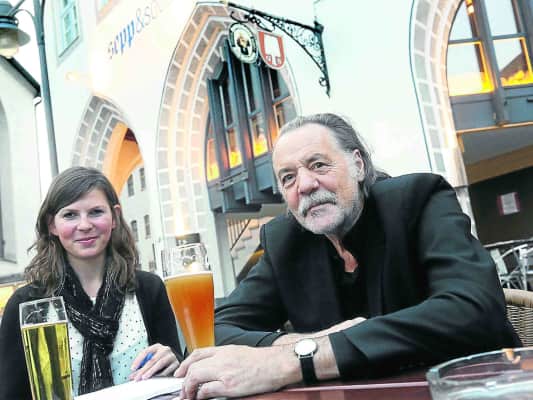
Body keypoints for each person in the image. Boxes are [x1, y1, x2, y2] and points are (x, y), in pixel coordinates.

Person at [174, 113, 521, 399]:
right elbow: (212, 331)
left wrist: (295, 362)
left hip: (478, 389)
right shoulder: (285, 241)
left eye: (318, 165)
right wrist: (302, 344)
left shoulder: (418, 198)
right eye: (288, 177)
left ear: (357, 164)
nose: (305, 185)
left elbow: (473, 309)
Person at [0, 167, 182, 399]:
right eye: (70, 215)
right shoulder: (27, 303)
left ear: (114, 217)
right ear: (52, 225)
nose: (84, 225)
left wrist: (174, 360)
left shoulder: (149, 289)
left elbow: (177, 378)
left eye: (96, 212)